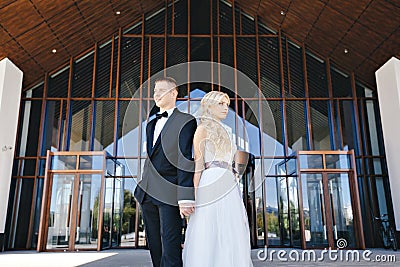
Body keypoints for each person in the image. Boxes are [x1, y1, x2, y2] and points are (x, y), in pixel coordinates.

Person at [182, 91, 253, 266]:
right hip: (210, 179)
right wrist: (195, 195)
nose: (225, 108)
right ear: (209, 105)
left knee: (231, 228)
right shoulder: (202, 129)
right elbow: (198, 166)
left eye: (227, 105)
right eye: (220, 104)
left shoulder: (229, 131)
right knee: (208, 228)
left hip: (229, 182)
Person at [134, 77, 197, 267]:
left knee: (170, 248)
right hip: (147, 193)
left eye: (161, 90)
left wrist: (186, 197)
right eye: (154, 91)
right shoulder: (151, 124)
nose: (156, 94)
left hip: (169, 193)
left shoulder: (186, 121)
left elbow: (185, 158)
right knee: (155, 247)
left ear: (173, 93)